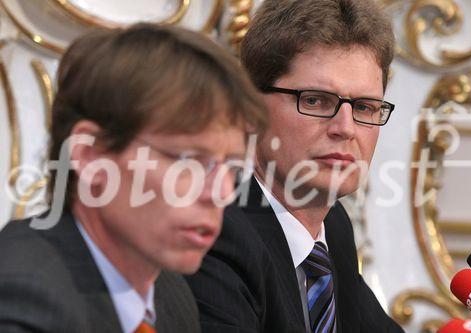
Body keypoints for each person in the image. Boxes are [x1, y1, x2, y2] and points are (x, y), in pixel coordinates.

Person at [0, 23, 267, 333]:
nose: (221, 192)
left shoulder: (171, 293)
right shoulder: (22, 300)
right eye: (190, 161)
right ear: (90, 155)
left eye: (232, 167)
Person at [186, 0, 405, 332]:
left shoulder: (333, 226)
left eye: (364, 107)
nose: (345, 128)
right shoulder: (216, 229)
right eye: (315, 100)